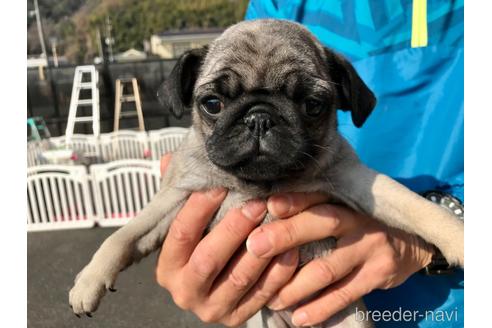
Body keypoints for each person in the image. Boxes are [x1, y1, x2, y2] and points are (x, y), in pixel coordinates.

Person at [156, 1, 464, 327]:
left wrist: (428, 238)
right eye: (216, 105)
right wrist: (204, 267)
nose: (260, 125)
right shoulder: (279, 7)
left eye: (311, 105)